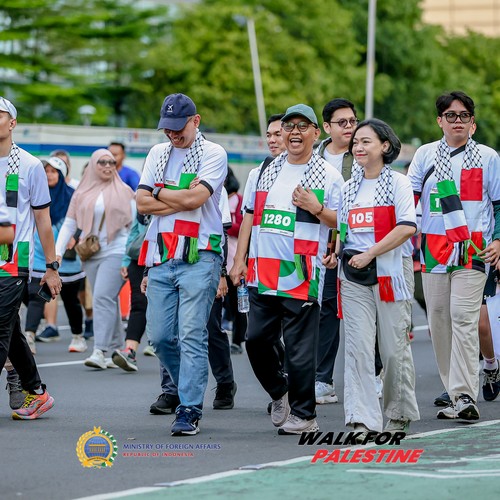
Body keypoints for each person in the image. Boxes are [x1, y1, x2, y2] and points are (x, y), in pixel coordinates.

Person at [231, 104, 343, 435]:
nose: (295, 132)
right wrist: (239, 260)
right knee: (255, 340)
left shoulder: (329, 175)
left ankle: (305, 415)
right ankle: (280, 391)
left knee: (299, 350)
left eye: (302, 126)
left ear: (315, 133)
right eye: (289, 126)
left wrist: (317, 209)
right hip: (261, 271)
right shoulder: (263, 171)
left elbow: (342, 222)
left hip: (302, 273)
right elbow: (249, 216)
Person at [136, 93, 227, 436]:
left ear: (195, 121)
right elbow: (141, 203)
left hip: (201, 254)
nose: (173, 135)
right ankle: (189, 384)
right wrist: (177, 199)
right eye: (168, 128)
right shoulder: (157, 153)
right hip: (162, 255)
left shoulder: (213, 153)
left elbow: (196, 198)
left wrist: (159, 192)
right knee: (159, 337)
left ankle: (189, 407)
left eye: (179, 128)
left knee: (191, 333)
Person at [407, 90, 500, 421]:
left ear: (472, 122)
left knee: (463, 317)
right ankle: (454, 390)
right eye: (450, 115)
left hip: (473, 249)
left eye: (463, 116)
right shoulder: (425, 155)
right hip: (433, 251)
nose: (457, 121)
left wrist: (498, 240)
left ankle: (464, 395)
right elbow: (409, 202)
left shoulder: (488, 157)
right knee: (439, 321)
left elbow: (499, 205)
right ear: (440, 121)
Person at [335, 118, 420, 439]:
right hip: (353, 275)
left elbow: (407, 227)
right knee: (357, 347)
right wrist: (335, 251)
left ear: (385, 146)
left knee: (393, 349)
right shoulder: (348, 188)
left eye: (365, 141)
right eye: (355, 142)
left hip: (390, 273)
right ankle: (362, 420)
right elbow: (344, 230)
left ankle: (399, 413)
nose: (358, 147)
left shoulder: (398, 184)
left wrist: (370, 253)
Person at [0, 96, 61, 419]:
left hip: (14, 261)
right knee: (10, 330)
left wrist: (51, 267)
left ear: (12, 123)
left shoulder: (30, 165)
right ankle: (36, 392)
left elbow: (43, 220)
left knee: (0, 329)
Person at [56, 148, 135, 369]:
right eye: (102, 162)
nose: (108, 166)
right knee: (108, 300)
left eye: (111, 162)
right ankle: (118, 349)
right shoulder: (81, 192)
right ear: (93, 165)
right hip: (90, 253)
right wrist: (57, 252)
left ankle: (99, 350)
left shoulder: (125, 191)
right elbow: (70, 224)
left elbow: (135, 227)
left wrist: (129, 257)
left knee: (101, 297)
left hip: (117, 251)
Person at [24, 157, 86, 353]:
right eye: (46, 171)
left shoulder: (73, 195)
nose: (49, 175)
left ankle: (78, 336)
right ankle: (29, 336)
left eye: (53, 171)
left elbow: (83, 220)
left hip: (66, 256)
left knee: (70, 299)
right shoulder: (34, 192)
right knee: (36, 295)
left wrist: (75, 236)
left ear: (61, 174)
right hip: (39, 254)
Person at [223, 167, 247, 354]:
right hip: (220, 257)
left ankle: (238, 340)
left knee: (238, 302)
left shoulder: (239, 200)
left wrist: (224, 224)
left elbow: (242, 227)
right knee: (225, 302)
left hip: (235, 257)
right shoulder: (214, 197)